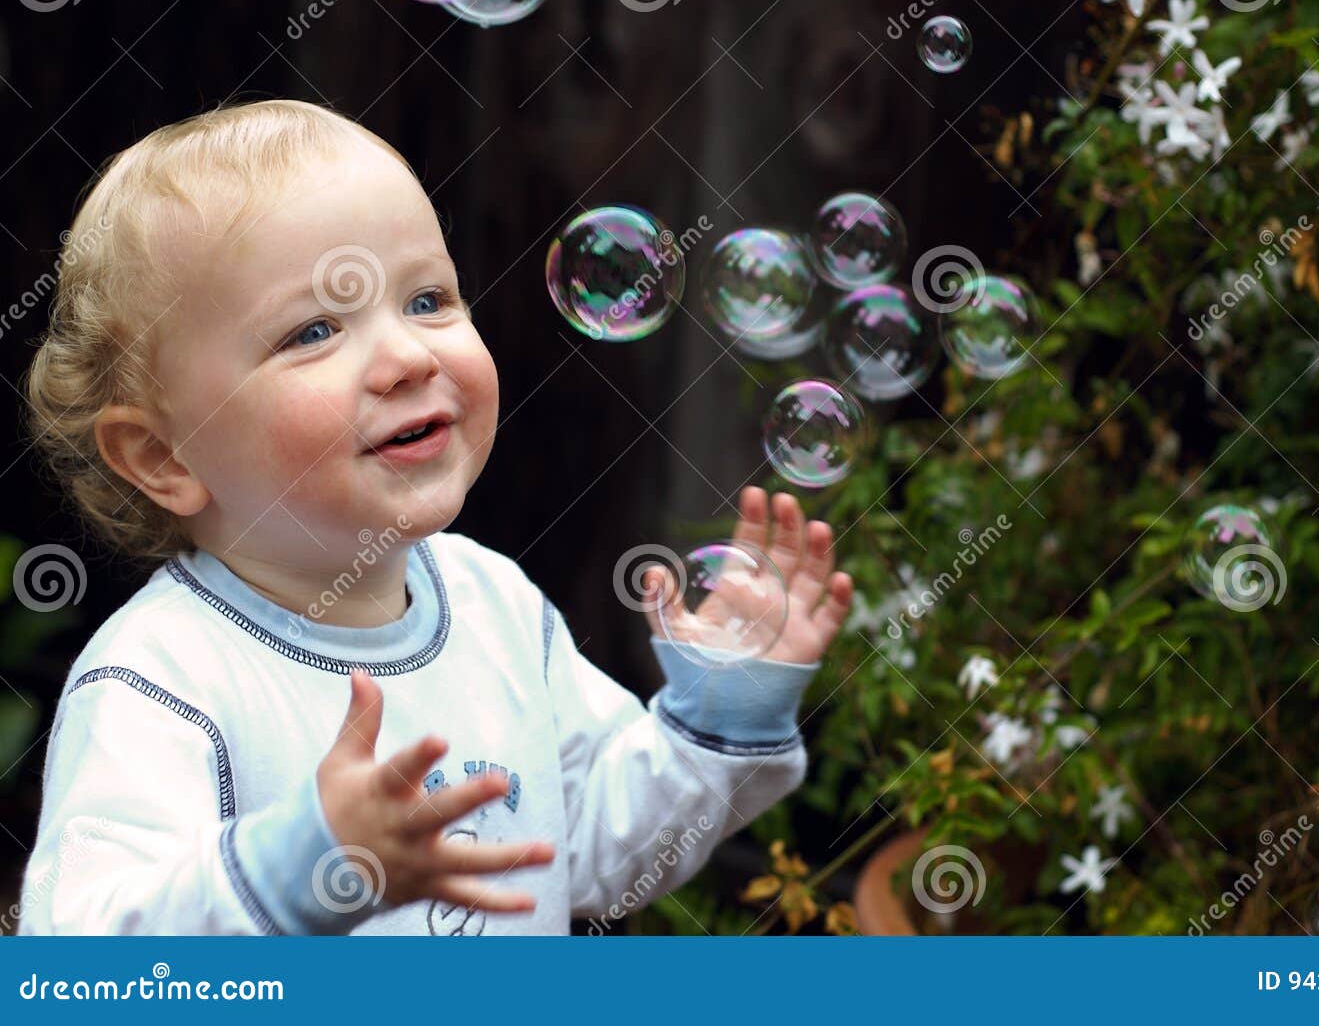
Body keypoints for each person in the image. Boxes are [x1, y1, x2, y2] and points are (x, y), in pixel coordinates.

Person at [15, 99, 853, 935]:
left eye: (427, 300)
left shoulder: (498, 606)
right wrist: (293, 869)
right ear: (166, 456)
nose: (408, 356)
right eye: (312, 330)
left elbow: (599, 848)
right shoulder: (161, 677)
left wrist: (719, 716)